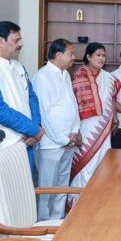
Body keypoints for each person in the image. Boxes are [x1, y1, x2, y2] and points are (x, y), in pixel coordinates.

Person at [0, 21, 44, 179]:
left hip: (27, 140)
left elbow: (31, 98)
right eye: (16, 40)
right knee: (5, 191)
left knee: (25, 189)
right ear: (1, 41)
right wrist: (33, 130)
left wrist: (35, 128)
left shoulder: (18, 66)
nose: (21, 44)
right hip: (5, 146)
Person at [33, 38, 81, 220]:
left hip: (69, 140)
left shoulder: (65, 74)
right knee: (47, 187)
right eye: (71, 54)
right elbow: (44, 114)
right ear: (58, 55)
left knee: (62, 185)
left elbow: (73, 105)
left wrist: (75, 131)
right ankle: (44, 223)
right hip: (51, 143)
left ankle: (58, 220)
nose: (74, 57)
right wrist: (63, 139)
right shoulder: (43, 77)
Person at [71, 43, 121, 193]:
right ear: (88, 57)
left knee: (102, 160)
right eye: (98, 55)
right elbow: (74, 104)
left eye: (103, 55)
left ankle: (99, 195)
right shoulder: (79, 76)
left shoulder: (109, 78)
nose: (101, 58)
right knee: (85, 161)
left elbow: (112, 99)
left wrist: (115, 118)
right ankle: (79, 197)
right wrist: (75, 129)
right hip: (85, 126)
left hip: (104, 126)